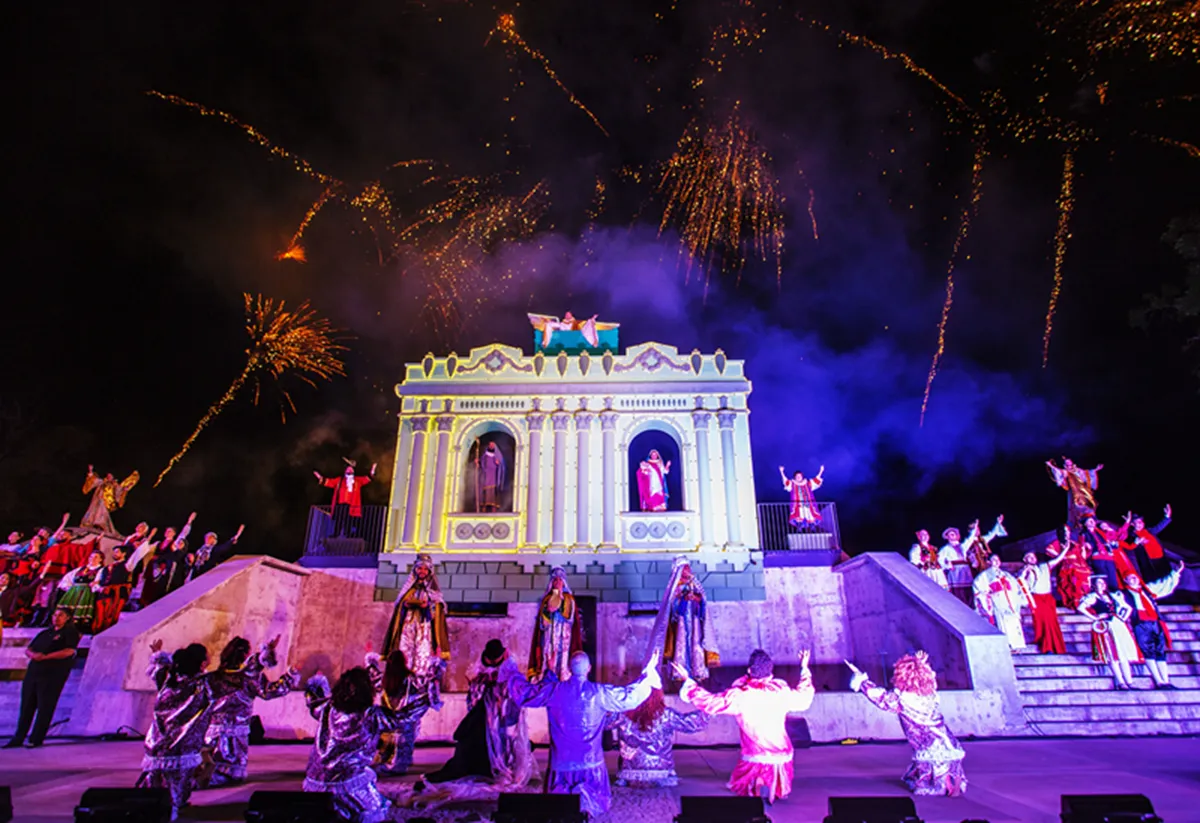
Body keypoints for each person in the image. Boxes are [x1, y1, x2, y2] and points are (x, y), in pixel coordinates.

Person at [509, 651, 662, 817]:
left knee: (559, 810)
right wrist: (648, 674)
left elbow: (526, 693)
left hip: (562, 760)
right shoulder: (599, 693)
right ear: (589, 668)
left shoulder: (555, 690)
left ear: (568, 668)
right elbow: (629, 696)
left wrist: (509, 666)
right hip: (590, 760)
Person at [677, 649, 815, 804]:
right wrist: (804, 668)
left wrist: (688, 682)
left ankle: (759, 786)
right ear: (770, 671)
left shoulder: (740, 695)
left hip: (755, 753)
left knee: (749, 782)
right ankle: (771, 785)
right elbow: (804, 697)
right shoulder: (781, 691)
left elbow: (710, 702)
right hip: (780, 752)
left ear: (749, 670)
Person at [303, 667, 428, 822]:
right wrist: (427, 700)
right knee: (374, 808)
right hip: (348, 781)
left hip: (315, 781)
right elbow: (401, 718)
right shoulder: (371, 715)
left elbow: (312, 702)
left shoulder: (327, 707)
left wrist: (314, 684)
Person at [846, 652, 966, 797]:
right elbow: (929, 678)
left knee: (931, 764)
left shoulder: (902, 699)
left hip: (927, 741)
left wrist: (861, 680)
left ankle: (943, 784)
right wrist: (920, 663)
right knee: (944, 761)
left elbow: (880, 697)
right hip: (945, 737)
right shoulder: (930, 694)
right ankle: (951, 779)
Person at [425, 639, 533, 789]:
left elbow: (472, 703)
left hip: (484, 724)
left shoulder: (481, 679)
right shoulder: (510, 679)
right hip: (494, 725)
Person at [201, 636, 298, 787]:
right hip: (235, 729)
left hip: (212, 730)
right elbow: (269, 692)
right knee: (230, 770)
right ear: (245, 655)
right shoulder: (247, 678)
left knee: (214, 760)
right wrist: (290, 677)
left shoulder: (212, 678)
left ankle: (205, 776)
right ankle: (211, 779)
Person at [138, 640, 213, 821]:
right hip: (182, 746)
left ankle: (151, 810)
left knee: (155, 785)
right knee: (178, 786)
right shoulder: (202, 685)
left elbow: (159, 666)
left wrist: (158, 654)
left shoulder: (167, 679)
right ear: (202, 663)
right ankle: (173, 810)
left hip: (158, 744)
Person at [4, 607, 80, 748]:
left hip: (52, 675)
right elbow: (29, 649)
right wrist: (34, 656)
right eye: (55, 615)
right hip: (34, 673)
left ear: (67, 618)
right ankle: (18, 737)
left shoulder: (69, 633)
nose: (56, 618)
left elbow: (69, 651)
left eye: (60, 615)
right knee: (27, 705)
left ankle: (36, 738)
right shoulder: (45, 633)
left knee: (45, 706)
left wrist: (46, 657)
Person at [607, 687, 708, 787]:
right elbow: (691, 724)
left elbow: (602, 723)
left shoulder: (623, 715)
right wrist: (709, 708)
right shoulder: (666, 715)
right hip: (662, 772)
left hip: (629, 773)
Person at [365, 649, 439, 776]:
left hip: (387, 721)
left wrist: (370, 658)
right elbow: (429, 681)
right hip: (406, 721)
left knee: (388, 743)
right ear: (404, 662)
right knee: (404, 742)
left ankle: (386, 762)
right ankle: (400, 763)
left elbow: (372, 673)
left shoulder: (383, 680)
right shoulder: (411, 679)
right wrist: (435, 662)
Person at [383, 554, 450, 683]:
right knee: (405, 650)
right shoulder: (409, 589)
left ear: (429, 571)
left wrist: (429, 606)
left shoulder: (432, 590)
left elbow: (438, 607)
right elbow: (400, 605)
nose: (422, 571)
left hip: (424, 626)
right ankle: (402, 680)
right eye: (420, 568)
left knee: (422, 652)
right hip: (408, 625)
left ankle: (420, 682)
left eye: (425, 569)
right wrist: (405, 604)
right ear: (415, 570)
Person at [1115, 565, 1185, 690]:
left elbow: (1162, 585)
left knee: (1160, 651)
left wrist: (1175, 573)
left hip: (1155, 622)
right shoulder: (1123, 593)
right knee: (1148, 651)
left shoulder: (1146, 590)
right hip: (1141, 623)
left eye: (1135, 577)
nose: (1134, 579)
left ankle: (1165, 680)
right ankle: (1158, 681)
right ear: (1125, 580)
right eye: (1130, 578)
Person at [661, 557, 719, 683]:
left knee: (696, 645)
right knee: (680, 647)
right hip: (680, 626)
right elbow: (672, 609)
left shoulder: (695, 584)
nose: (688, 572)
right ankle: (679, 673)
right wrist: (683, 600)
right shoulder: (674, 587)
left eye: (688, 569)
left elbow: (703, 602)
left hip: (695, 623)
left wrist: (698, 600)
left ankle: (697, 672)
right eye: (685, 569)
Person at [1078, 576, 1140, 690]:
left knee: (1123, 653)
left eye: (1102, 583)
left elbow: (1127, 607)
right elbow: (1081, 607)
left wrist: (1122, 618)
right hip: (1106, 625)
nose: (1101, 585)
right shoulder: (1093, 597)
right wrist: (1095, 618)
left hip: (1117, 624)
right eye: (1098, 583)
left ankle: (1130, 682)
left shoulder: (1112, 596)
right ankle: (1121, 682)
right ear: (1094, 585)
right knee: (1112, 654)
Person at [528, 566, 583, 682]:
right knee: (547, 661)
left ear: (564, 583)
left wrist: (560, 602)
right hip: (549, 638)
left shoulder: (569, 599)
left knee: (562, 664)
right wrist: (548, 610)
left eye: (560, 580)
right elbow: (542, 625)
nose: (557, 582)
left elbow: (570, 617)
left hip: (564, 638)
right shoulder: (546, 600)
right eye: (555, 580)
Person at [939, 517, 1004, 607]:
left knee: (969, 588)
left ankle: (973, 607)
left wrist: (975, 528)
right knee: (959, 590)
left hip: (966, 569)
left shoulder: (962, 545)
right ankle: (960, 607)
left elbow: (970, 539)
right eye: (950, 534)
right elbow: (940, 560)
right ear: (947, 537)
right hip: (955, 571)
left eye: (954, 533)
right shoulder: (945, 549)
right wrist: (947, 566)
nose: (952, 535)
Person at [973, 554, 1032, 651]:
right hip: (998, 602)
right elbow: (978, 588)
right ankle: (1007, 645)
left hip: (1010, 601)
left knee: (1014, 623)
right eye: (993, 559)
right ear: (988, 562)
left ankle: (1017, 645)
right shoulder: (984, 576)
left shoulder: (1006, 574)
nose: (996, 561)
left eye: (998, 559)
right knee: (1003, 624)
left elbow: (1015, 586)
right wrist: (987, 595)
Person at [1018, 547, 1069, 654]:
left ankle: (1057, 647)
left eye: (1033, 556)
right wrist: (1025, 572)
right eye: (1028, 557)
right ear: (1025, 560)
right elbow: (1020, 582)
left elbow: (1058, 559)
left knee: (1052, 622)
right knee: (1042, 622)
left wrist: (1066, 548)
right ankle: (1047, 647)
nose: (1031, 559)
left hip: (1048, 598)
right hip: (1037, 598)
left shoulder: (1044, 566)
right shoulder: (1024, 571)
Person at [316, 459, 377, 538]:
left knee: (349, 520)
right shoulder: (340, 480)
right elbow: (329, 482)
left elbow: (368, 478)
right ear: (345, 471)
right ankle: (336, 534)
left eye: (351, 469)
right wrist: (320, 477)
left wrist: (372, 469)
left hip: (351, 505)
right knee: (339, 520)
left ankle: (348, 534)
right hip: (340, 504)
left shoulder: (357, 481)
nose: (349, 470)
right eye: (348, 469)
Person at [55, 549, 106, 633]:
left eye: (96, 557)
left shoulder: (101, 570)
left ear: (100, 559)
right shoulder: (81, 569)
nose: (92, 559)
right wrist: (69, 587)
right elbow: (68, 578)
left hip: (87, 592)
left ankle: (78, 628)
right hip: (74, 591)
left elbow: (99, 581)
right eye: (91, 557)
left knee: (81, 613)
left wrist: (95, 585)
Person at [80, 465, 140, 536]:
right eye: (108, 475)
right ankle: (90, 524)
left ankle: (101, 526)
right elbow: (93, 481)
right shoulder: (102, 482)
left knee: (102, 514)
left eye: (110, 475)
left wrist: (124, 491)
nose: (109, 476)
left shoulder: (115, 485)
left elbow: (119, 493)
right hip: (97, 500)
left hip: (106, 504)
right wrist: (90, 472)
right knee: (92, 512)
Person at [1081, 514, 1136, 591]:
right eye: (1089, 521)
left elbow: (1118, 534)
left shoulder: (1101, 532)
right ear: (1085, 524)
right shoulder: (1083, 534)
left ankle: (1115, 595)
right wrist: (1086, 546)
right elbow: (1081, 546)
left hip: (1109, 557)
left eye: (1093, 520)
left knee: (1113, 577)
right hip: (1097, 558)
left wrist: (1127, 522)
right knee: (1103, 579)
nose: (1092, 522)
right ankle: (1106, 597)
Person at [1045, 457, 1102, 528]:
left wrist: (1096, 469)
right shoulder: (1066, 472)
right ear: (1065, 464)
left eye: (1069, 461)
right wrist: (1051, 466)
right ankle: (1080, 522)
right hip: (1074, 492)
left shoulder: (1079, 470)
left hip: (1083, 490)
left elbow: (1087, 473)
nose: (1068, 463)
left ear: (1072, 462)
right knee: (1077, 505)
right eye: (1067, 462)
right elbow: (1058, 471)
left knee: (1089, 503)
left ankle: (1093, 519)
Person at [1123, 505, 1174, 585]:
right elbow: (1127, 542)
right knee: (1156, 581)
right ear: (1132, 524)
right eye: (1137, 522)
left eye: (1141, 521)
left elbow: (1159, 527)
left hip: (1161, 558)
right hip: (1150, 562)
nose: (1140, 524)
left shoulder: (1148, 531)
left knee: (1167, 578)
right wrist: (1136, 541)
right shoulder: (1132, 535)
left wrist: (1167, 517)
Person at [1045, 524, 1092, 609]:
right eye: (1064, 532)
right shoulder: (1058, 542)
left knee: (1084, 579)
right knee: (1072, 582)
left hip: (1079, 566)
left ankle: (1083, 602)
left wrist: (1084, 548)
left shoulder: (1074, 543)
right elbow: (1048, 549)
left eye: (1068, 532)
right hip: (1067, 566)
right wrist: (1063, 556)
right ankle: (1074, 602)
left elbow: (1082, 556)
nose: (1066, 534)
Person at [93, 545, 133, 633]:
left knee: (113, 614)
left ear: (124, 554)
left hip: (117, 593)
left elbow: (138, 555)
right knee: (100, 614)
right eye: (114, 552)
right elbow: (97, 582)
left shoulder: (127, 565)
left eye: (117, 551)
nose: (115, 553)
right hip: (103, 593)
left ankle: (109, 633)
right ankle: (98, 632)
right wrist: (98, 588)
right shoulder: (106, 568)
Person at [779, 464, 825, 530]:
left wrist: (821, 471)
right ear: (795, 477)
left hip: (808, 503)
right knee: (799, 514)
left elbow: (816, 480)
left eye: (800, 476)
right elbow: (785, 481)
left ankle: (812, 525)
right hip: (797, 504)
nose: (798, 477)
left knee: (810, 513)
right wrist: (782, 472)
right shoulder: (792, 483)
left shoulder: (807, 483)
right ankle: (799, 526)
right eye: (797, 476)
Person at [474, 440, 507, 513]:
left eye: (493, 445)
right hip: (485, 477)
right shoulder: (484, 456)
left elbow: (502, 467)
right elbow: (481, 465)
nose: (491, 446)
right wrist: (477, 462)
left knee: (493, 495)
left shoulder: (497, 456)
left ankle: (493, 510)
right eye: (490, 444)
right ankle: (483, 509)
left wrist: (499, 464)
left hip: (494, 478)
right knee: (484, 494)